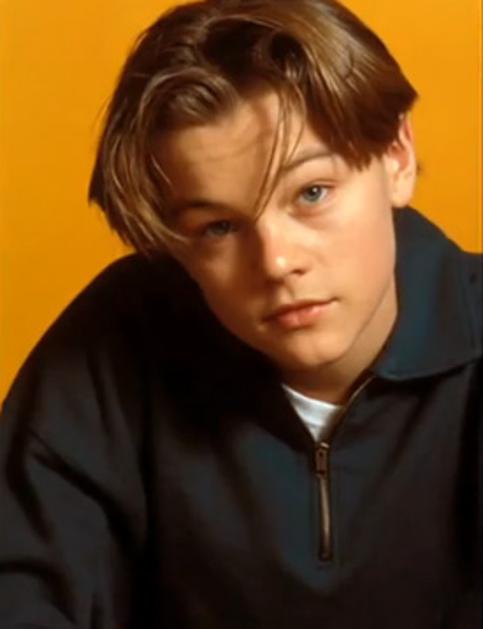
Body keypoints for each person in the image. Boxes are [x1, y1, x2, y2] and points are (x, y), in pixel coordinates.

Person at [0, 0, 481, 627]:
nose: (276, 262)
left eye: (312, 193)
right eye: (218, 227)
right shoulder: (111, 346)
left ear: (397, 157)